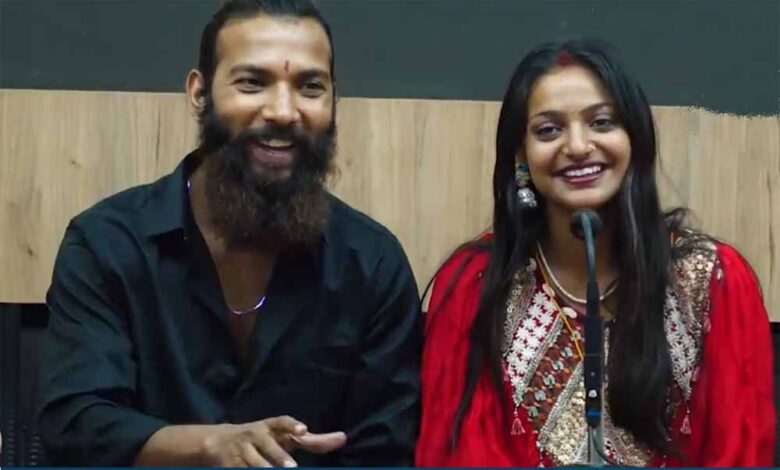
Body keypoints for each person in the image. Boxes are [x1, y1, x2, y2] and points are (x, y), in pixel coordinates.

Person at [37, 0, 421, 466]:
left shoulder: (372, 263)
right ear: (200, 93)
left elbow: (385, 452)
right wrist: (211, 446)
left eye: (310, 87)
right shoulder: (107, 244)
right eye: (252, 83)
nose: (283, 111)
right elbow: (77, 424)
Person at [415, 39, 775, 467]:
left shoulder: (710, 280)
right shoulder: (476, 285)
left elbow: (738, 455)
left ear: (635, 139)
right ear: (520, 157)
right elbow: (459, 457)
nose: (578, 145)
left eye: (601, 122)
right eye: (548, 130)